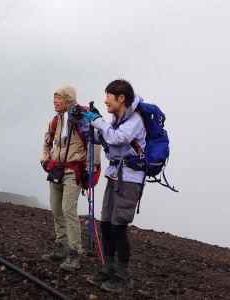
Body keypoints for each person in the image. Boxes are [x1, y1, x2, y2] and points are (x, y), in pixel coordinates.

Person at [83, 79, 146, 291]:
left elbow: (118, 138)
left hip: (129, 180)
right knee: (107, 224)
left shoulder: (135, 120)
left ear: (121, 99)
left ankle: (123, 276)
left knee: (118, 227)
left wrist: (98, 121)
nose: (105, 100)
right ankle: (107, 269)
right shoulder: (118, 119)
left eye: (109, 97)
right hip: (115, 176)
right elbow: (107, 138)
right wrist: (87, 125)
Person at [41, 85, 100, 272]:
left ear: (68, 100)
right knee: (56, 208)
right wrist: (45, 159)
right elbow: (47, 141)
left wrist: (91, 168)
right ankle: (61, 246)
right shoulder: (55, 121)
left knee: (68, 210)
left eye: (58, 98)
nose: (54, 101)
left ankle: (74, 253)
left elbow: (94, 143)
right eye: (54, 98)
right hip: (55, 169)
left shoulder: (81, 119)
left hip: (73, 171)